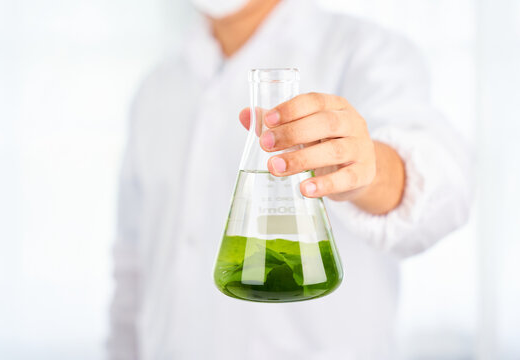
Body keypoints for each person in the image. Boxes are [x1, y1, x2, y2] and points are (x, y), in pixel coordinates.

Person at [107, 0, 472, 358]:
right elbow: (133, 266)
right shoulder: (156, 87)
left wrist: (366, 170)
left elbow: (445, 185)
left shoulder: (366, 51)